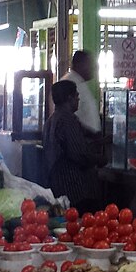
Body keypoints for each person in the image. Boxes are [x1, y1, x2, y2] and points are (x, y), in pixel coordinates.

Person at [44, 80, 106, 211]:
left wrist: (99, 141)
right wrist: (100, 159)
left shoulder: (51, 120)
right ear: (69, 98)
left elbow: (72, 144)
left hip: (58, 186)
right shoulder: (67, 120)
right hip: (76, 190)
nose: (78, 99)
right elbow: (79, 155)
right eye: (76, 96)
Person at [62, 50, 103, 135]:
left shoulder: (80, 83)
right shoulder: (70, 84)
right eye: (90, 65)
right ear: (80, 65)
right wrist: (93, 137)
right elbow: (69, 120)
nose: (94, 69)